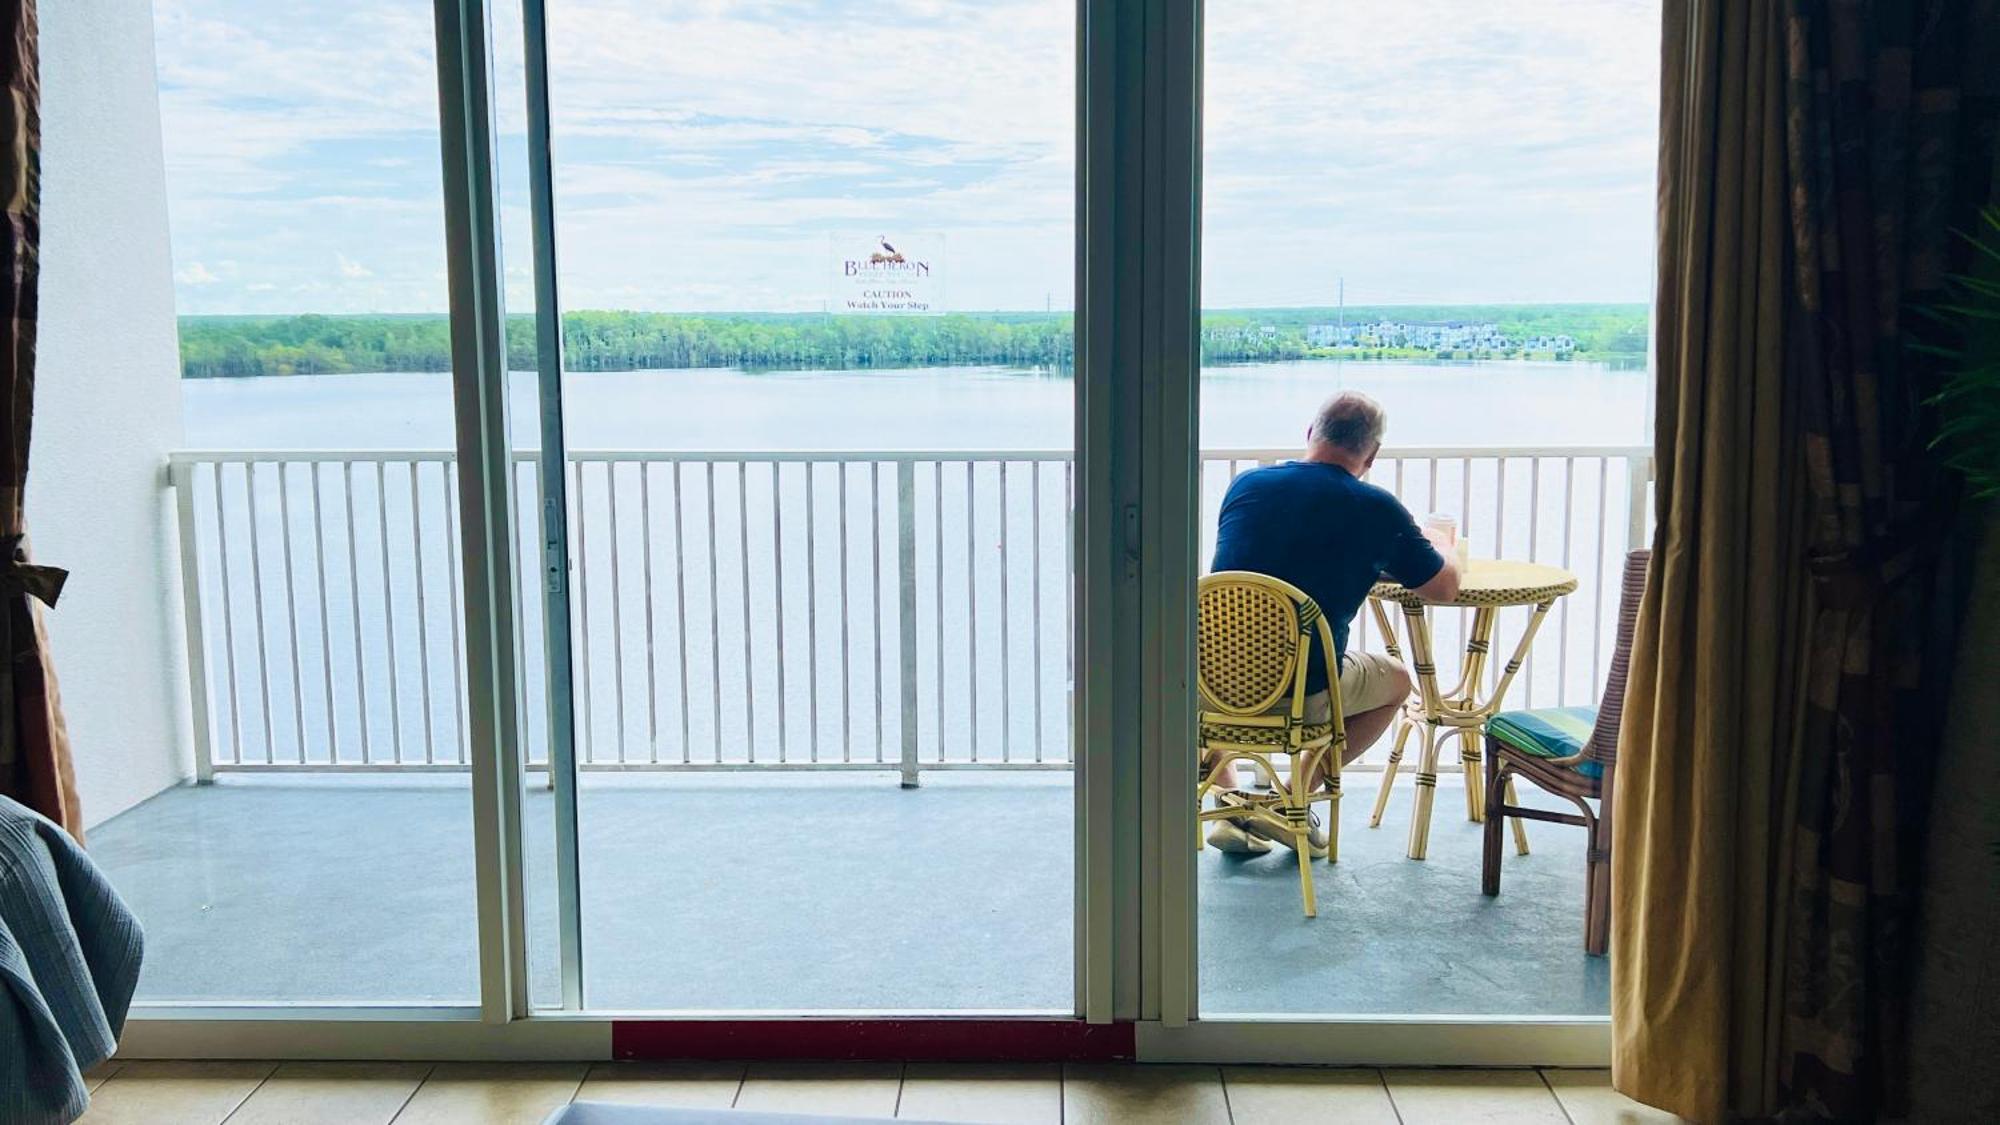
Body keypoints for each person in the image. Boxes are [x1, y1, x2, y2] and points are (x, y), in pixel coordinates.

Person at [1206, 390, 1460, 855]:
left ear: (1310, 433)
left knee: (1212, 666)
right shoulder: (1375, 509)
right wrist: (1443, 546)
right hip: (1302, 696)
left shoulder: (1247, 486)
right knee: (1398, 681)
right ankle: (1292, 802)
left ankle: (1230, 805)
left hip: (1213, 687)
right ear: (1372, 454)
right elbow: (1443, 587)